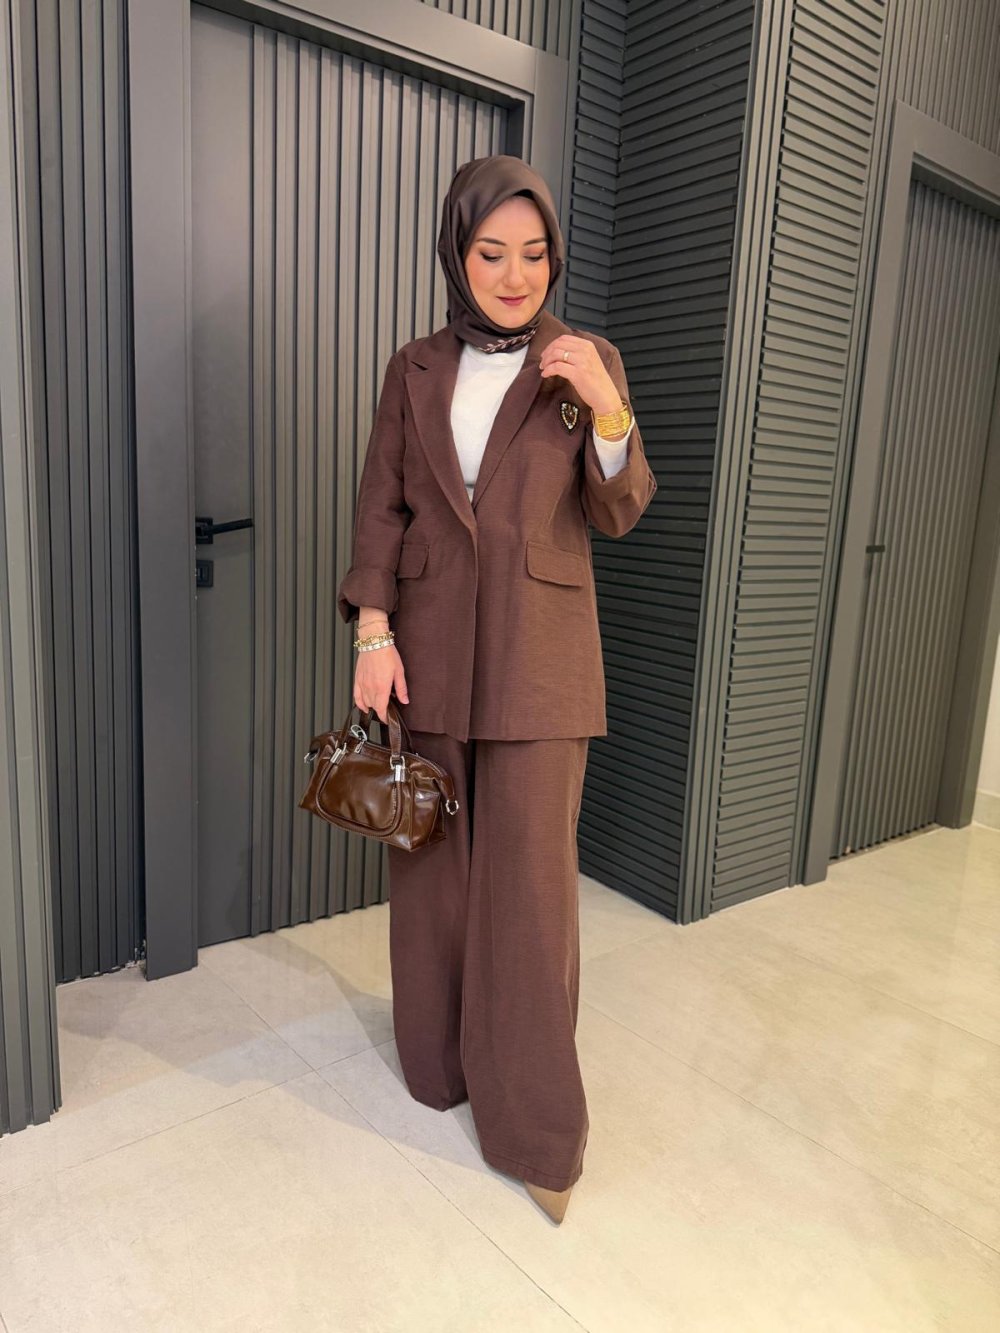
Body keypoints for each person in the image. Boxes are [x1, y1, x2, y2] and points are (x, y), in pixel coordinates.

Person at [336, 154, 657, 1223]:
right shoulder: (414, 368)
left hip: (541, 662)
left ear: (553, 256)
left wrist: (607, 409)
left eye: (534, 253)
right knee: (429, 871)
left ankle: (536, 1130)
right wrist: (372, 631)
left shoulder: (586, 361)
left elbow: (620, 509)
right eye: (490, 253)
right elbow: (383, 507)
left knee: (529, 896)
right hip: (425, 654)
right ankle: (438, 1068)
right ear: (456, 254)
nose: (515, 275)